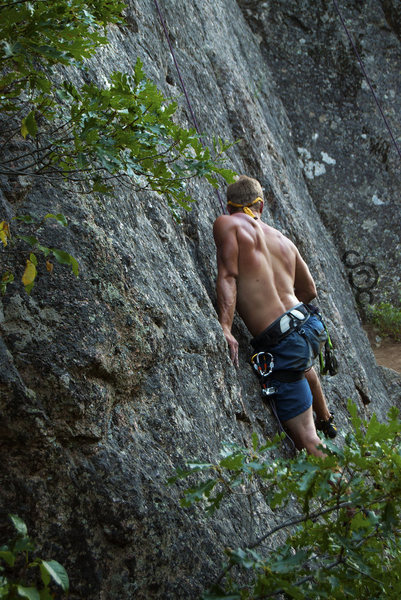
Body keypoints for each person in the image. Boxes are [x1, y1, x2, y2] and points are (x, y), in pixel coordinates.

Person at [213, 175, 335, 457]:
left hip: (284, 341)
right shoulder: (283, 240)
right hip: (310, 325)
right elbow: (310, 290)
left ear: (230, 207)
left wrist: (226, 326)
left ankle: (351, 499)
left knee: (307, 439)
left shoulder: (227, 223)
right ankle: (327, 418)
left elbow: (229, 275)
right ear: (260, 206)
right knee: (301, 362)